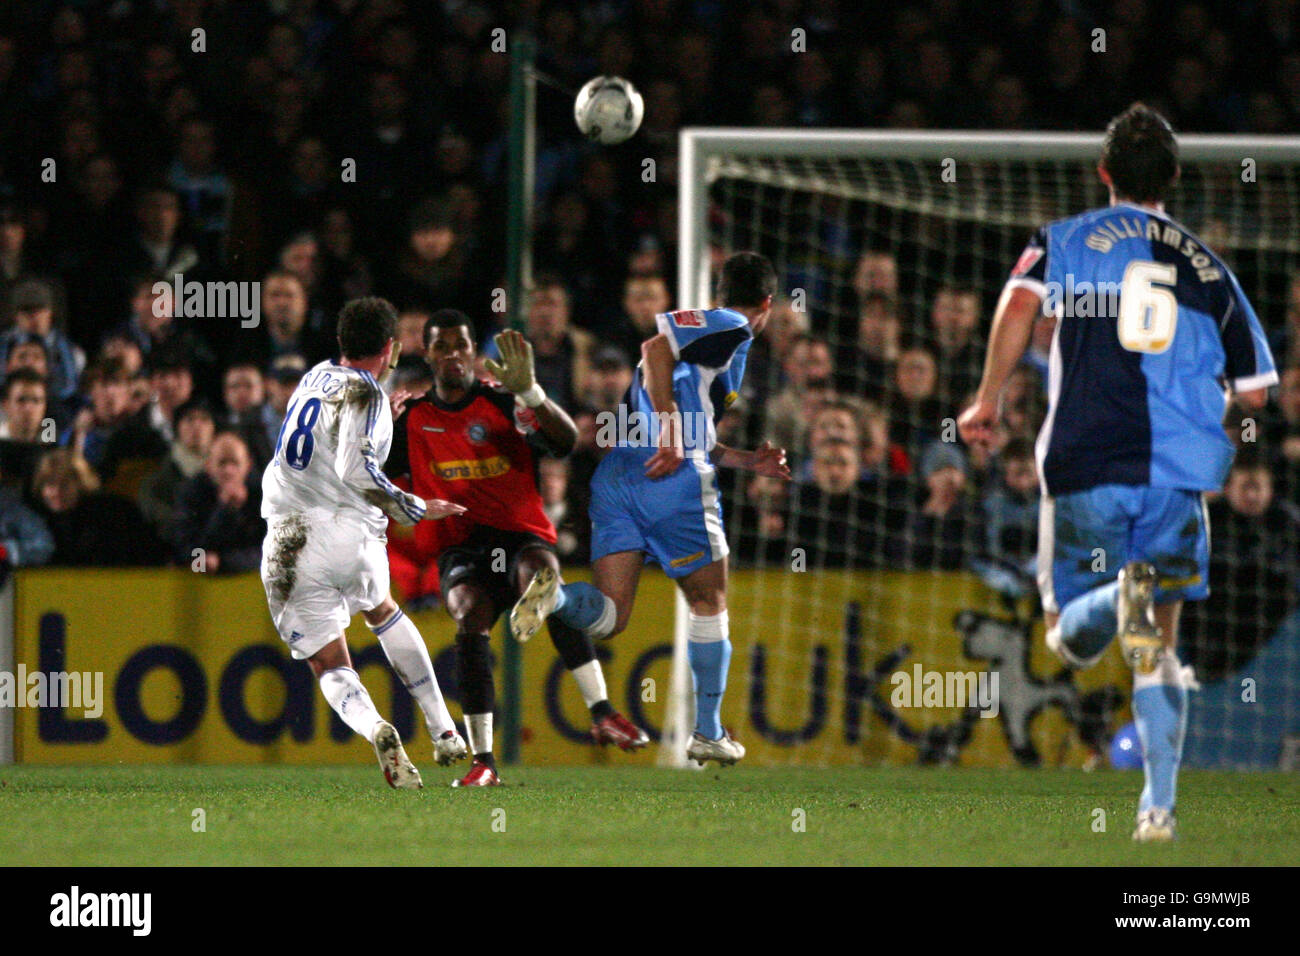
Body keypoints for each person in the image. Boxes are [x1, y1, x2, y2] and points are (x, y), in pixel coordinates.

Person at [957, 103, 1278, 843]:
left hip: (1084, 463)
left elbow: (1016, 307)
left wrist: (987, 398)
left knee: (1068, 640)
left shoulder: (1063, 240)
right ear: (1172, 178)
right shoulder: (1208, 266)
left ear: (1103, 173)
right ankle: (1156, 810)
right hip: (1174, 478)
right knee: (1157, 646)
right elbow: (1258, 389)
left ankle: (1112, 595)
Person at [514, 252, 791, 766]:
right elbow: (654, 347)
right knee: (709, 601)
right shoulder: (736, 327)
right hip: (673, 481)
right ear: (768, 303)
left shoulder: (708, 332)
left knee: (610, 616)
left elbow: (691, 425)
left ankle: (555, 602)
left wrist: (749, 460)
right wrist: (667, 425)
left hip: (621, 475)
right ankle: (707, 731)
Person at [385, 310, 649, 787]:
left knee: (540, 578)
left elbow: (566, 442)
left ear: (472, 351)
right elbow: (373, 473)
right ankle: (484, 761)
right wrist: (379, 422)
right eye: (441, 347)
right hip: (461, 548)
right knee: (469, 617)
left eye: (461, 346)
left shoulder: (503, 402)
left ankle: (603, 712)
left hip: (520, 535)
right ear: (426, 354)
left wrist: (533, 394)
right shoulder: (413, 418)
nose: (452, 356)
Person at [260, 296, 468, 789]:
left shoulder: (313, 377)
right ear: (391, 348)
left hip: (287, 537)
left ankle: (376, 728)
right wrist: (413, 505)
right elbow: (354, 467)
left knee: (328, 663)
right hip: (347, 533)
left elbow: (330, 442)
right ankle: (443, 731)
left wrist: (383, 422)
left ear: (340, 341)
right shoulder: (370, 394)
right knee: (382, 610)